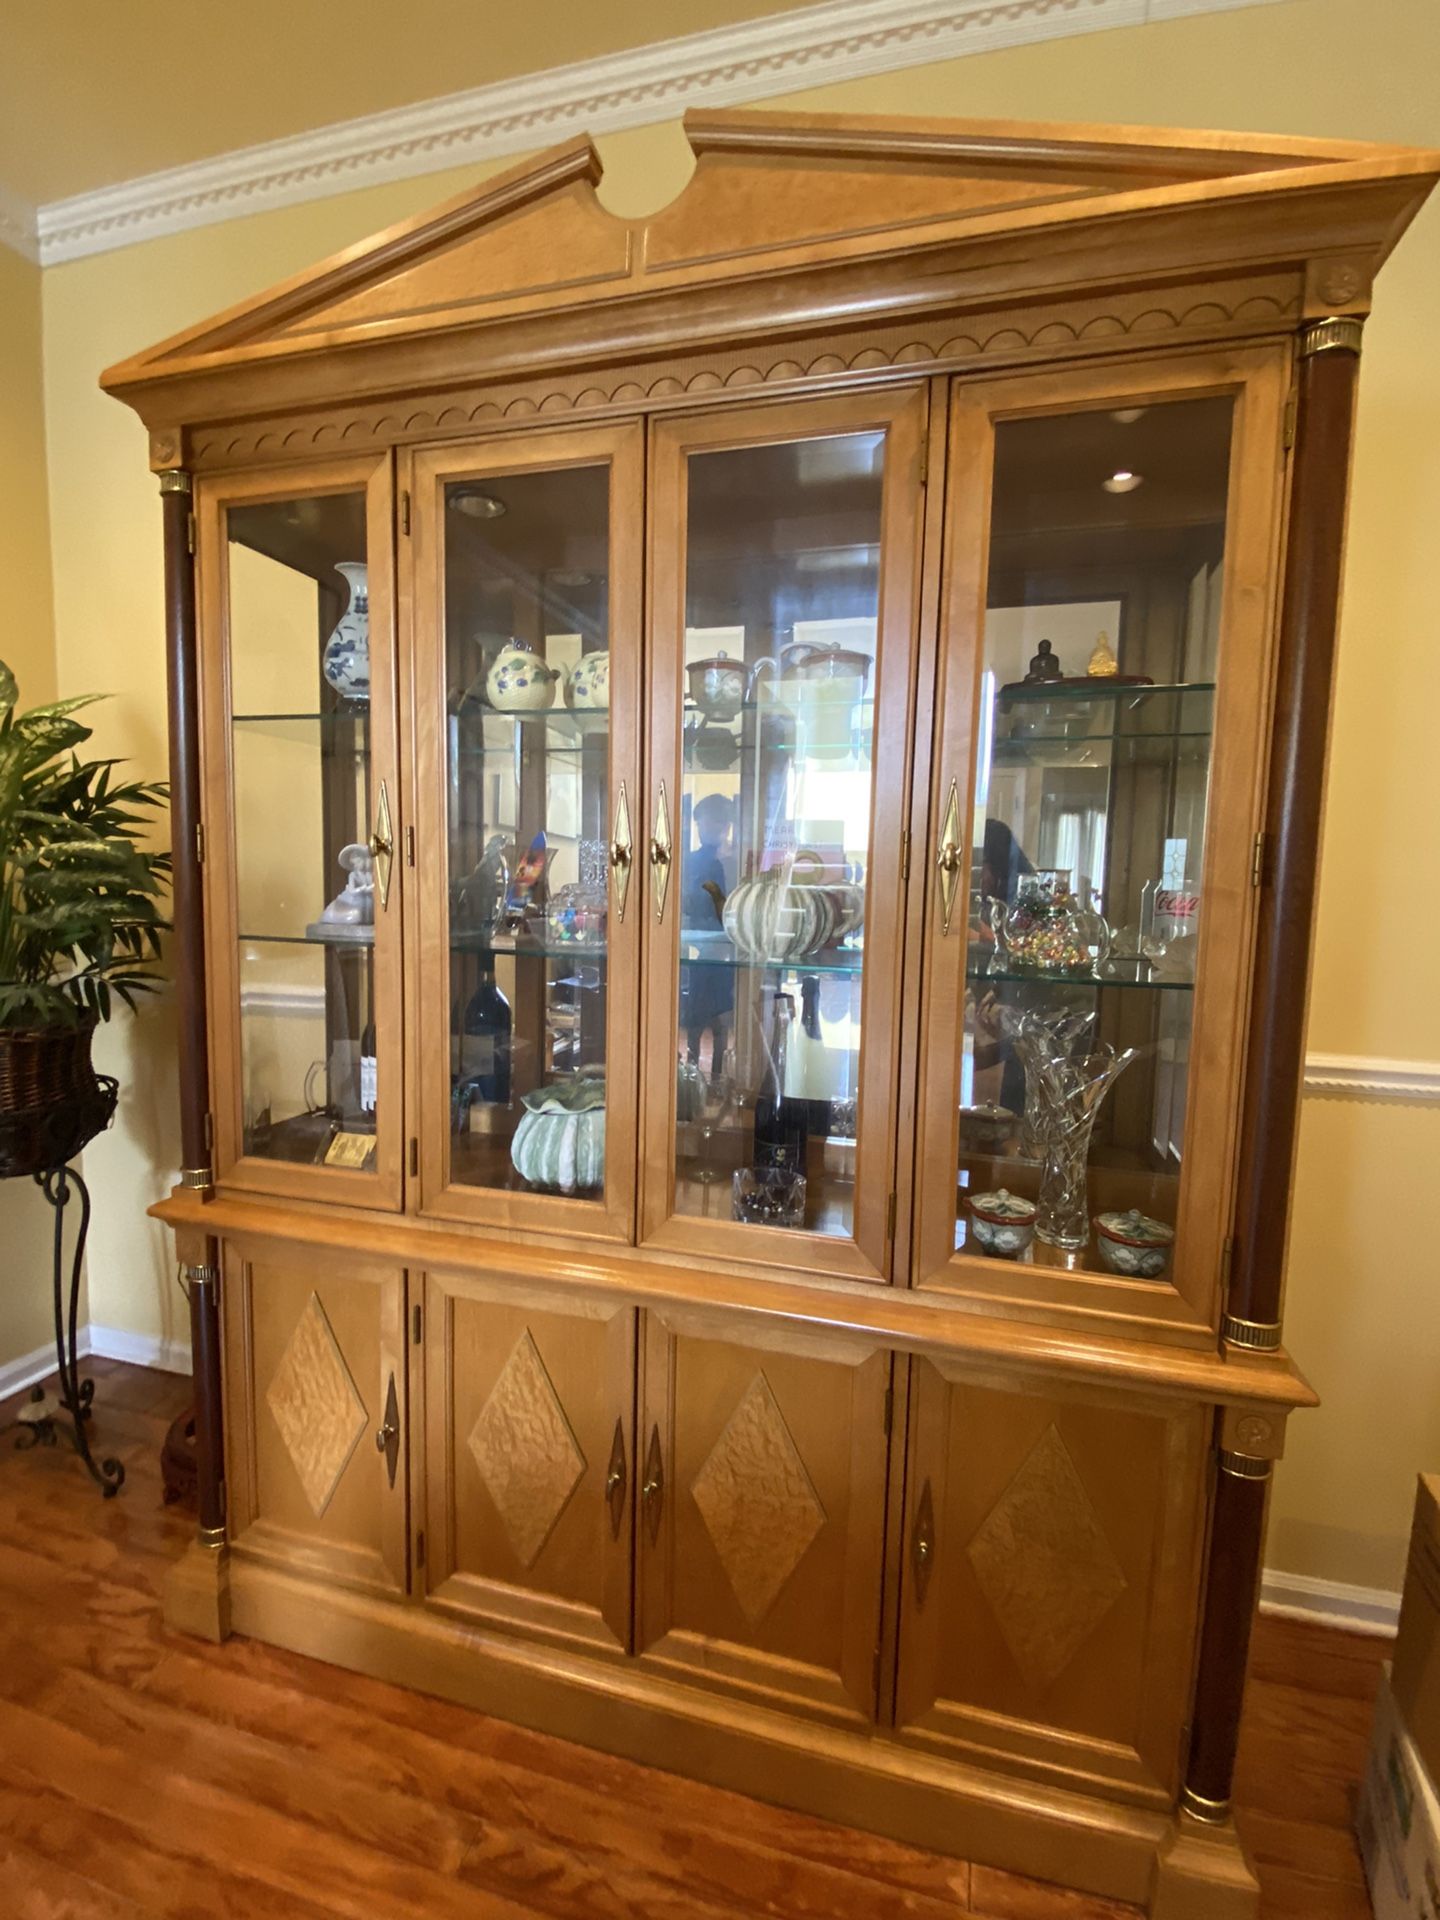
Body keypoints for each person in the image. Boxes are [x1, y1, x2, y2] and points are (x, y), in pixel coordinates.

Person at [680, 793, 736, 1084]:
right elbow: (684, 902)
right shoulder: (690, 861)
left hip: (727, 950)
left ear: (726, 824)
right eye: (703, 822)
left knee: (721, 1019)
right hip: (698, 948)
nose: (709, 827)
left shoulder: (733, 861)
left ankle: (715, 1077)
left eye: (716, 821)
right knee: (695, 1015)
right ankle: (689, 1073)